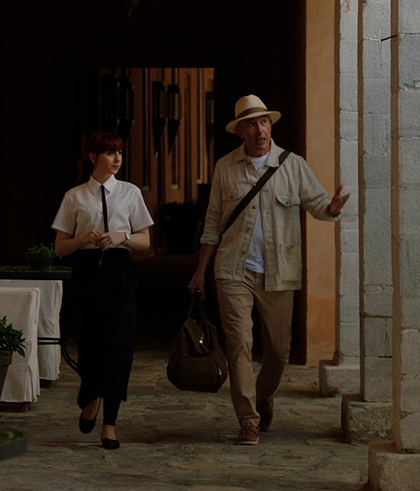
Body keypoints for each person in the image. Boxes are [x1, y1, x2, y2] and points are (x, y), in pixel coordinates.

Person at [188, 94, 349, 445]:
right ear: (240, 131)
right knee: (239, 344)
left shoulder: (292, 165)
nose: (259, 129)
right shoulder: (225, 168)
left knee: (279, 350)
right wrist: (201, 271)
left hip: (280, 271)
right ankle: (248, 419)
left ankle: (262, 396)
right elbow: (212, 223)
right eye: (251, 124)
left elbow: (319, 205)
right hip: (233, 270)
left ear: (270, 125)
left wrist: (332, 207)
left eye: (263, 122)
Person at [52, 130, 153, 450]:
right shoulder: (75, 197)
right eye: (110, 153)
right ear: (94, 157)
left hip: (120, 273)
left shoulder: (130, 193)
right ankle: (90, 394)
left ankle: (110, 424)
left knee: (119, 347)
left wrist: (121, 237)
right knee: (91, 344)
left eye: (120, 152)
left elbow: (146, 241)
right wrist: (82, 240)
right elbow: (60, 247)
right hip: (87, 274)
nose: (117, 159)